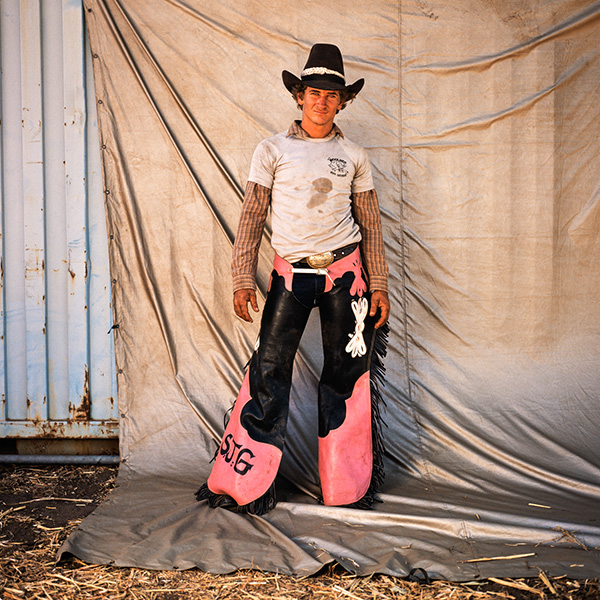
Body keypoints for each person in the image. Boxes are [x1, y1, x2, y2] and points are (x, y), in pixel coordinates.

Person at [197, 43, 390, 515]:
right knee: (269, 369)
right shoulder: (272, 150)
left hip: (347, 276)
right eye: (314, 92)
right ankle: (246, 482)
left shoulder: (354, 155)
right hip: (291, 273)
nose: (322, 101)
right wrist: (243, 275)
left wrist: (379, 283)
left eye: (332, 94)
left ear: (343, 101)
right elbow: (251, 217)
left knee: (346, 375)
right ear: (299, 96)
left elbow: (370, 222)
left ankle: (348, 487)